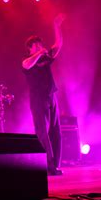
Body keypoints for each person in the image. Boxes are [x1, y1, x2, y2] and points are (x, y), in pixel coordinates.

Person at [22, 14, 65, 176]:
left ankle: (55, 165)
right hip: (38, 99)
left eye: (41, 44)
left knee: (56, 131)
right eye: (37, 45)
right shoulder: (28, 60)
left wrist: (57, 26)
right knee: (42, 132)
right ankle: (47, 166)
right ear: (30, 48)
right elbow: (26, 65)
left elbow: (58, 45)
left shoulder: (45, 57)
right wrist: (39, 54)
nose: (40, 46)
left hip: (51, 96)